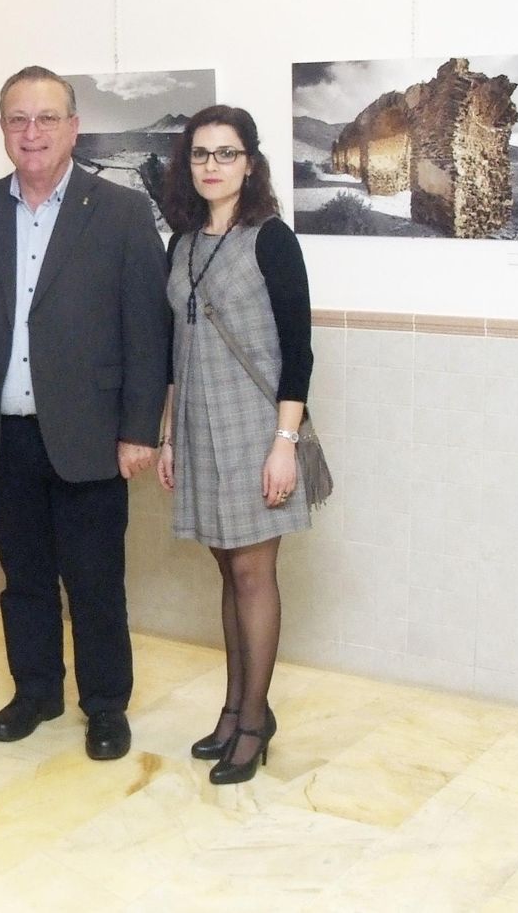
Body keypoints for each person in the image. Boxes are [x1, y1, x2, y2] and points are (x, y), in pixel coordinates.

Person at [0, 65, 169, 761]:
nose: (31, 132)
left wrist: (138, 430)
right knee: (24, 579)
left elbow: (147, 334)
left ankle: (105, 706)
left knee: (96, 582)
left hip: (93, 437)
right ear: (3, 129)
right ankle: (36, 691)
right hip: (3, 437)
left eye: (45, 118)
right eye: (17, 119)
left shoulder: (122, 213)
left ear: (72, 127)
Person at [158, 104, 312, 785]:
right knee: (227, 573)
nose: (211, 166)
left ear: (250, 162)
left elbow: (299, 352)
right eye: (200, 154)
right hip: (197, 425)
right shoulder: (182, 241)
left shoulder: (271, 239)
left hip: (256, 428)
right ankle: (233, 707)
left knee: (254, 574)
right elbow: (175, 346)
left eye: (225, 153)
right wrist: (166, 434)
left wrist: (285, 443)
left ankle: (254, 724)